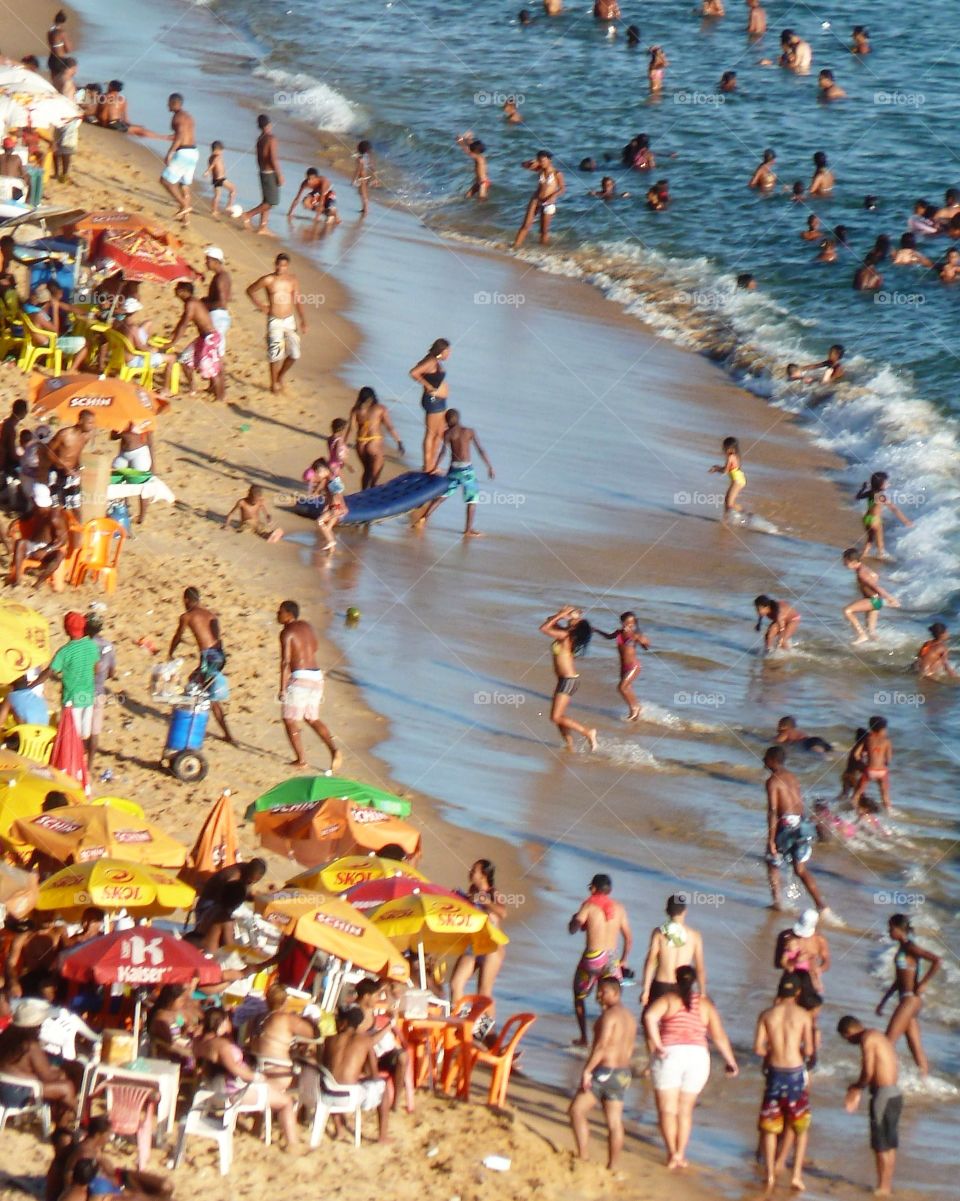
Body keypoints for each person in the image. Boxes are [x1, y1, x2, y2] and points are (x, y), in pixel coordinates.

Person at [645, 965, 738, 1169]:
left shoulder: (668, 1000)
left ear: (675, 980)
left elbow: (649, 1017)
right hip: (698, 1057)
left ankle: (672, 1154)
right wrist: (730, 1061)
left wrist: (657, 1044)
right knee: (685, 1110)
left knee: (667, 1111)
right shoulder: (705, 1004)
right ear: (695, 981)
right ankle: (681, 1153)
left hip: (671, 1054)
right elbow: (719, 1036)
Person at [194, 1008, 300, 1151]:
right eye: (227, 1021)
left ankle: (258, 1127)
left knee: (273, 1090)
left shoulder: (199, 1043)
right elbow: (235, 1070)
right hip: (232, 1093)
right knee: (286, 1101)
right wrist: (258, 1077)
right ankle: (293, 1144)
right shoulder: (222, 1046)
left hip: (211, 1090)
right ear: (222, 1023)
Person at [754, 975, 815, 1191]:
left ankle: (770, 1174)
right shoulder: (804, 1015)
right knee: (800, 1126)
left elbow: (758, 1049)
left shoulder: (767, 1015)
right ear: (798, 993)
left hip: (775, 1073)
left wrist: (773, 1051)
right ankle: (796, 1175)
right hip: (795, 1073)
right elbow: (809, 1050)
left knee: (771, 1126)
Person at [569, 977, 636, 1171]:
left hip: (605, 1071)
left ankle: (583, 1156)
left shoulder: (609, 1017)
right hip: (623, 1073)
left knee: (577, 1110)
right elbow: (630, 1049)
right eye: (598, 991)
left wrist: (588, 1071)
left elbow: (601, 1046)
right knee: (614, 1122)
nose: (599, 995)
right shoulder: (630, 1018)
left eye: (603, 992)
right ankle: (613, 1166)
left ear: (616, 993)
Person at [838, 1016, 901, 1196]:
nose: (850, 1043)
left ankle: (883, 1187)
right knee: (890, 1142)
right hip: (895, 1093)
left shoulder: (867, 1039)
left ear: (848, 1033)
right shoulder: (878, 1035)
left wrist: (856, 1088)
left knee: (880, 1143)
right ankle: (886, 1185)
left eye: (847, 1039)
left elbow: (868, 1070)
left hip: (883, 1094)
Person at [277, 600, 340, 771]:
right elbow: (315, 647)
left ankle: (301, 759)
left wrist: (282, 688)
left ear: (289, 614)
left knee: (289, 719)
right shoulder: (307, 626)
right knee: (312, 718)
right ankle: (334, 750)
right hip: (316, 676)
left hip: (300, 678)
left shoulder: (286, 632)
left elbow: (285, 662)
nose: (277, 614)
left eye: (280, 612)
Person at [568, 874, 632, 1045]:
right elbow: (628, 938)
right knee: (611, 1001)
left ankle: (583, 1038)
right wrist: (624, 960)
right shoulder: (619, 908)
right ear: (609, 890)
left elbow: (573, 929)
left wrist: (575, 919)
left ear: (594, 889)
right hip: (612, 959)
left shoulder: (588, 906)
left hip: (593, 957)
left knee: (579, 995)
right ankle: (610, 1039)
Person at [875, 914, 940, 1078]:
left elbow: (937, 960)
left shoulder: (910, 947)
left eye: (890, 928)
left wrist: (924, 983)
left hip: (910, 1000)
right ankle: (924, 1082)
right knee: (915, 1046)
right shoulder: (902, 948)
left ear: (898, 929)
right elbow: (899, 980)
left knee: (887, 1042)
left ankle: (884, 1076)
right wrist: (883, 1001)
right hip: (908, 999)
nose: (889, 931)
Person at [763, 746, 826, 912]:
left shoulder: (773, 781)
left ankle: (777, 902)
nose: (763, 761)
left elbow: (773, 811)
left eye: (765, 758)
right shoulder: (793, 777)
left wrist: (770, 840)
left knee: (772, 860)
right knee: (800, 869)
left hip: (786, 824)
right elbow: (798, 803)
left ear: (772, 760)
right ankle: (821, 905)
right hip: (801, 823)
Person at [414, 409, 494, 537]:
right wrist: (489, 466)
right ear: (458, 418)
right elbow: (480, 450)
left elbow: (443, 453)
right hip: (466, 470)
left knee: (443, 496)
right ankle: (468, 530)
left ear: (447, 421)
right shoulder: (469, 431)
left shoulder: (448, 433)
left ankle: (423, 518)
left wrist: (435, 466)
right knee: (472, 500)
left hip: (454, 469)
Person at [0, 998, 76, 1128]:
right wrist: (60, 1073)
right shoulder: (30, 1045)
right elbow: (47, 1076)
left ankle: (62, 1119)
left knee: (61, 1080)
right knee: (67, 1087)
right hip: (17, 1094)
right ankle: (70, 1126)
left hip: (3, 1088)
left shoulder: (6, 1036)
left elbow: (18, 1067)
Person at [37, 612, 100, 762]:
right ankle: (82, 765)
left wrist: (32, 684)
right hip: (88, 696)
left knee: (72, 737)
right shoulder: (91, 646)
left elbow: (49, 671)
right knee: (85, 735)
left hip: (72, 699)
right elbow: (96, 669)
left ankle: (73, 764)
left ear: (66, 630)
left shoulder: (64, 652)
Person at [448, 859, 508, 1018]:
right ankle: (458, 1023)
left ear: (483, 876)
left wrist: (485, 901)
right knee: (455, 983)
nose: (470, 872)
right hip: (473, 945)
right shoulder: (472, 890)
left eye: (474, 870)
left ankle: (490, 1034)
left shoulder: (493, 892)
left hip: (492, 947)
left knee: (484, 992)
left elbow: (502, 912)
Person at [322, 1006, 390, 1140]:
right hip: (349, 1097)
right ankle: (383, 1137)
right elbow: (374, 1075)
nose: (335, 1023)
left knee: (333, 1081)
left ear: (345, 1022)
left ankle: (339, 1130)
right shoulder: (365, 1040)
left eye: (337, 1020)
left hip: (327, 1096)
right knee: (384, 1088)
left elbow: (326, 1068)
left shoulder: (329, 1039)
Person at [246, 253, 306, 394]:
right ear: (275, 264)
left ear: (287, 266)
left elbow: (297, 300)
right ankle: (274, 384)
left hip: (289, 319)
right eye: (278, 265)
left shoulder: (292, 280)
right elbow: (250, 290)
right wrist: (261, 306)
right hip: (274, 319)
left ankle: (280, 376)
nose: (280, 268)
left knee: (295, 353)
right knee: (275, 353)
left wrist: (303, 319)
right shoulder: (268, 280)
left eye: (284, 265)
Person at [540, 606, 597, 753]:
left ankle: (588, 732)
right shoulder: (565, 634)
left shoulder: (565, 636)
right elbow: (548, 621)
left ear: (576, 627)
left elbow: (544, 628)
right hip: (564, 681)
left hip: (568, 681)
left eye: (576, 620)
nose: (574, 619)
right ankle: (569, 744)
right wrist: (562, 615)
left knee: (555, 717)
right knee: (558, 716)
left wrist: (563, 614)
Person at [640, 894, 706, 1010]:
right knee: (676, 1023)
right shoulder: (695, 936)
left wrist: (645, 990)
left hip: (661, 984)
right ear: (685, 911)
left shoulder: (659, 933)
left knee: (651, 1020)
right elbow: (699, 968)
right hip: (682, 986)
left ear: (667, 911)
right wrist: (702, 992)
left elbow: (650, 961)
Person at [249, 983, 318, 1090]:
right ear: (286, 1001)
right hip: (278, 1074)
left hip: (255, 1070)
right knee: (311, 1061)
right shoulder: (286, 1019)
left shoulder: (256, 1018)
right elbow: (311, 1033)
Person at [170, 281, 225, 400]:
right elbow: (181, 322)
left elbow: (184, 324)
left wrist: (173, 342)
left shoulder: (191, 303)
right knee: (185, 359)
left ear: (183, 291)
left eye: (177, 289)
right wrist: (173, 334)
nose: (175, 292)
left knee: (212, 369)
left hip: (210, 338)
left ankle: (220, 398)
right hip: (203, 338)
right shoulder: (190, 302)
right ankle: (192, 387)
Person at [595, 611, 650, 721]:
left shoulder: (635, 635)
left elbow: (646, 647)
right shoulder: (619, 632)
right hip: (623, 667)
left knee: (622, 687)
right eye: (625, 622)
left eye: (630, 623)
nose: (627, 625)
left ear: (634, 624)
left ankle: (635, 709)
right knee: (627, 688)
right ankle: (636, 708)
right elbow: (608, 636)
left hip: (634, 666)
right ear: (622, 622)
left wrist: (643, 641)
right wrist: (596, 630)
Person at [346, 386, 404, 489]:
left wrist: (344, 443)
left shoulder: (356, 410)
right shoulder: (380, 408)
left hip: (360, 443)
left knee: (367, 471)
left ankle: (363, 494)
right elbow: (389, 427)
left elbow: (351, 428)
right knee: (375, 474)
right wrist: (399, 441)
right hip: (374, 442)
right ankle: (372, 493)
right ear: (372, 397)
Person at [409, 337, 451, 472]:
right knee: (431, 433)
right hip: (433, 401)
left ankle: (433, 465)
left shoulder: (436, 361)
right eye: (448, 351)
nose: (449, 354)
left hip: (440, 401)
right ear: (441, 351)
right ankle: (428, 466)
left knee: (440, 433)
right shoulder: (431, 361)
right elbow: (414, 372)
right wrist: (428, 386)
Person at [842, 548, 900, 643]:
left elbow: (876, 587)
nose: (844, 564)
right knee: (871, 632)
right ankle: (880, 645)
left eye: (845, 561)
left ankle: (861, 635)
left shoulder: (862, 573)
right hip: (875, 601)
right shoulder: (863, 569)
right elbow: (875, 576)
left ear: (853, 561)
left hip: (873, 600)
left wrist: (890, 598)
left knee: (847, 611)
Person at [43, 409, 95, 513]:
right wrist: (64, 467)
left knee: (75, 506)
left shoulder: (87, 436)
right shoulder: (64, 434)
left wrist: (79, 468)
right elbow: (48, 452)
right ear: (80, 421)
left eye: (93, 423)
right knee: (57, 507)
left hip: (73, 473)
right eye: (90, 423)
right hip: (57, 472)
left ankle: (76, 527)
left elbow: (77, 453)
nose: (92, 426)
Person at [84, 610, 116, 775]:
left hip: (81, 692)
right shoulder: (109, 646)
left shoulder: (82, 646)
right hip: (99, 692)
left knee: (80, 729)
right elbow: (112, 673)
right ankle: (89, 765)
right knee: (94, 731)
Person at [512, 150, 565, 248]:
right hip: (536, 200)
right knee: (526, 225)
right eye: (539, 160)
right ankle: (515, 246)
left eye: (543, 161)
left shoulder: (557, 173)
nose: (541, 163)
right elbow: (523, 165)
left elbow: (562, 189)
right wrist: (531, 162)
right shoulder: (539, 169)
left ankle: (542, 251)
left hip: (548, 202)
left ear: (549, 160)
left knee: (543, 230)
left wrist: (553, 196)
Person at [158, 94, 198, 222]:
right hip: (194, 152)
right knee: (184, 185)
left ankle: (184, 205)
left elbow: (180, 136)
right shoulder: (188, 117)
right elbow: (184, 134)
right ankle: (186, 219)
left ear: (174, 103)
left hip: (183, 152)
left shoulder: (177, 117)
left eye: (168, 103)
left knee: (165, 180)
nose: (167, 105)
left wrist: (170, 152)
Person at [242, 115, 283, 234]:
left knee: (266, 200)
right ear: (269, 124)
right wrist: (279, 174)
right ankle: (247, 215)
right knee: (271, 202)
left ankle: (262, 227)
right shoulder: (271, 138)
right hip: (269, 172)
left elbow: (259, 157)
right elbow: (273, 158)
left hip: (262, 171)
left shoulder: (260, 138)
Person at [856, 471, 912, 559]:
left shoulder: (870, 493)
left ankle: (864, 554)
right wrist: (905, 521)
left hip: (866, 518)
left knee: (870, 538)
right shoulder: (881, 497)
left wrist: (863, 488)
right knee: (880, 540)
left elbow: (858, 497)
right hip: (875, 520)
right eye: (887, 482)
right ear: (881, 485)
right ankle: (881, 554)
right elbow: (894, 509)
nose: (888, 484)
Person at [110, 421, 155, 524]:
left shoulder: (143, 419)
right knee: (118, 480)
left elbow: (150, 443)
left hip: (140, 453)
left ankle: (142, 517)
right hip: (123, 453)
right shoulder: (121, 419)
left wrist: (153, 465)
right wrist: (121, 430)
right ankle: (125, 509)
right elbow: (113, 436)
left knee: (142, 484)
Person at [849, 714, 893, 815]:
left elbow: (856, 754)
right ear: (883, 729)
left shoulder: (867, 739)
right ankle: (889, 812)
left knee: (857, 795)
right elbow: (888, 759)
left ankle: (853, 812)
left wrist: (863, 764)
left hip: (869, 770)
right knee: (885, 795)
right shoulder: (887, 741)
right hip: (882, 771)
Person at [168, 587, 224, 667]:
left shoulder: (187, 616)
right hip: (219, 654)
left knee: (196, 679)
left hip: (208, 656)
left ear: (186, 600)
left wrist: (170, 653)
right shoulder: (211, 614)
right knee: (200, 677)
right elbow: (215, 636)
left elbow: (177, 636)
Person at [202, 246, 232, 354]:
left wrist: (204, 306)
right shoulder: (223, 276)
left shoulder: (220, 278)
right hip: (220, 316)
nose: (205, 263)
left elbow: (222, 303)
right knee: (215, 351)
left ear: (215, 261)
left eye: (208, 260)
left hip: (218, 317)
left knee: (214, 352)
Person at [708, 435, 746, 514]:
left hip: (737, 481)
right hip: (739, 479)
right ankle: (730, 517)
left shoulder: (730, 457)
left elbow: (725, 471)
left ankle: (743, 514)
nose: (723, 449)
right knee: (728, 502)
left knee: (729, 503)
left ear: (729, 448)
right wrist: (718, 468)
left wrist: (716, 468)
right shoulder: (735, 456)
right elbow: (729, 469)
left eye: (724, 447)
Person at [203, 141, 237, 217]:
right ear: (217, 150)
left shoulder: (210, 157)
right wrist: (208, 171)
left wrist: (209, 172)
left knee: (217, 195)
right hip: (221, 179)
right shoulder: (217, 156)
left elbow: (212, 165)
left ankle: (214, 210)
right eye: (221, 151)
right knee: (233, 189)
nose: (222, 152)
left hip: (215, 179)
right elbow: (213, 164)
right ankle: (229, 206)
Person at [456, 133, 490, 200]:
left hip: (483, 183)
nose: (471, 149)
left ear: (476, 151)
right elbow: (471, 146)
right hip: (478, 183)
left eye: (473, 149)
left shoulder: (478, 157)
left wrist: (460, 142)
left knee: (481, 199)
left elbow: (467, 151)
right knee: (467, 197)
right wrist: (468, 139)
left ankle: (485, 210)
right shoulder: (480, 155)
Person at [352, 139, 378, 216]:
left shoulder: (359, 159)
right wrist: (375, 178)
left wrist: (354, 179)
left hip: (362, 178)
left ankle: (365, 209)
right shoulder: (367, 158)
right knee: (363, 193)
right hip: (367, 177)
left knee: (362, 194)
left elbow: (358, 169)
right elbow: (372, 168)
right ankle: (364, 208)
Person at [46, 11, 72, 78]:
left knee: (54, 80)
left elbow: (51, 45)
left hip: (51, 59)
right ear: (63, 22)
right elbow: (68, 49)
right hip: (60, 60)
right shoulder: (62, 33)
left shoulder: (50, 32)